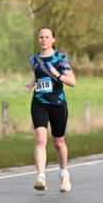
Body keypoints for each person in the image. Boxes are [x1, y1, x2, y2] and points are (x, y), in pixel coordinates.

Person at [24, 27, 76, 192]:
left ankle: (64, 173)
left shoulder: (60, 59)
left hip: (57, 103)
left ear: (53, 40)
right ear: (38, 39)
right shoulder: (34, 59)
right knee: (40, 138)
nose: (44, 40)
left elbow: (72, 82)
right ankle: (41, 177)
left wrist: (58, 75)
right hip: (39, 102)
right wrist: (30, 85)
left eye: (47, 37)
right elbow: (39, 75)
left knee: (58, 142)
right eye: (41, 37)